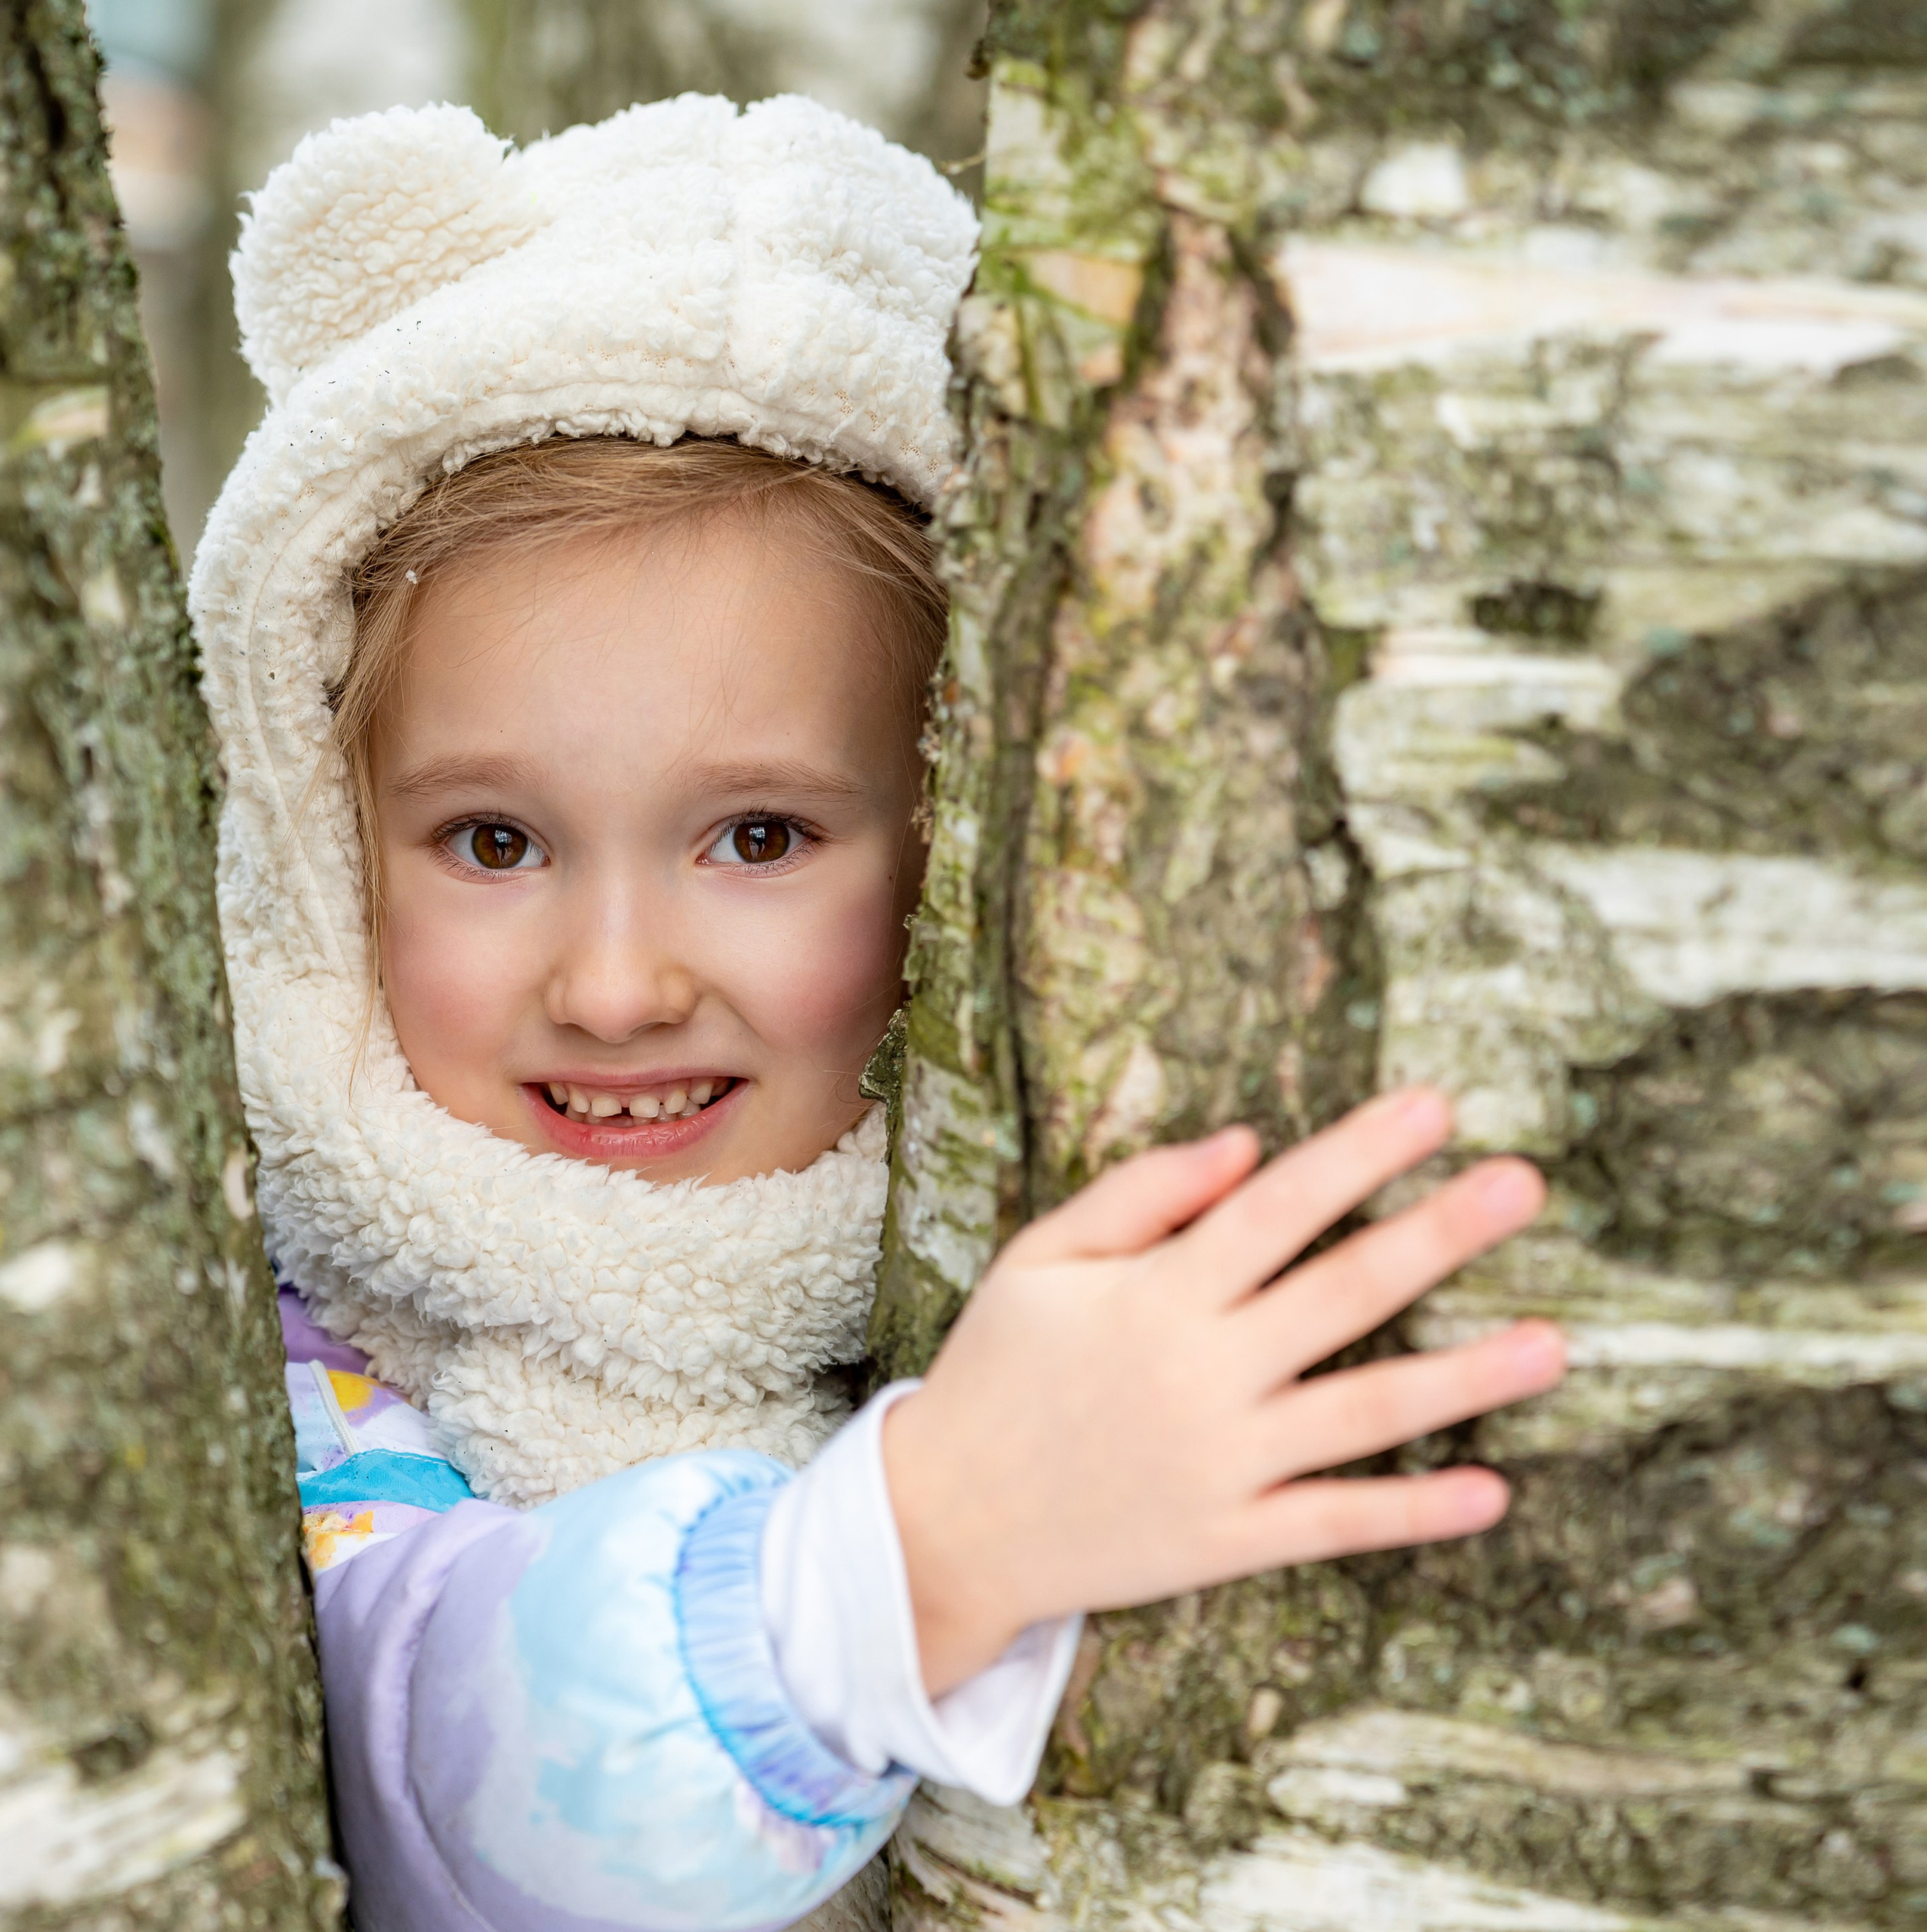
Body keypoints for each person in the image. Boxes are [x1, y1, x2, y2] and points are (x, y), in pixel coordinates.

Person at [189, 94, 1566, 1932]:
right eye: (492, 838)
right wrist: (926, 1546)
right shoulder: (298, 1346)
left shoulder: (993, 1207)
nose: (612, 984)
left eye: (757, 833)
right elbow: (428, 1759)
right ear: (323, 844)